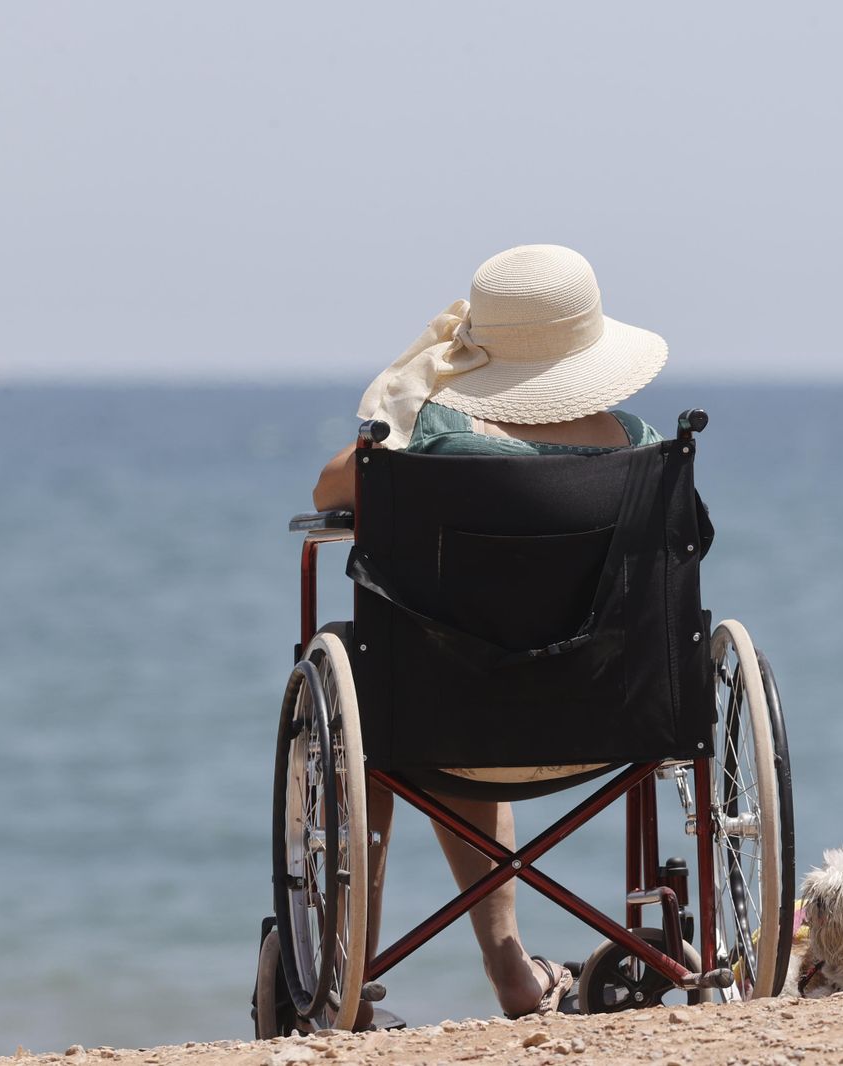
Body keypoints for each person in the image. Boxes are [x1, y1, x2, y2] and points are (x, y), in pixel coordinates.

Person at [311, 244, 670, 1018]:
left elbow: (330, 486)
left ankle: (362, 981)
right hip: (613, 719)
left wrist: (404, 419)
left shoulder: (424, 444)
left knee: (425, 675)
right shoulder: (642, 450)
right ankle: (526, 974)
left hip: (450, 723)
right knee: (484, 679)